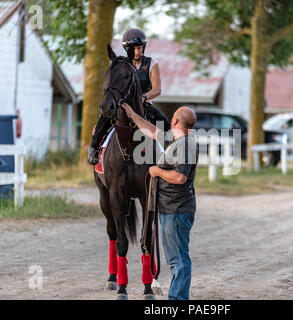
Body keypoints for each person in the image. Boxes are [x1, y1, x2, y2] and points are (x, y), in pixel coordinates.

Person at [122, 102, 198, 300]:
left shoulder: (186, 145)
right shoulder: (177, 140)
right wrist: (132, 115)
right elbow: (153, 132)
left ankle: (177, 299)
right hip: (170, 209)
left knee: (178, 260)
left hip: (176, 210)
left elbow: (180, 178)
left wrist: (157, 171)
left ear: (174, 120)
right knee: (176, 258)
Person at [88, 28, 170, 165]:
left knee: (165, 123)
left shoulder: (152, 64)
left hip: (143, 104)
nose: (137, 52)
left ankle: (172, 152)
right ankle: (93, 148)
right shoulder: (121, 65)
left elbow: (157, 89)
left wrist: (143, 97)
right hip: (122, 104)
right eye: (134, 49)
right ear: (127, 50)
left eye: (139, 48)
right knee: (104, 118)